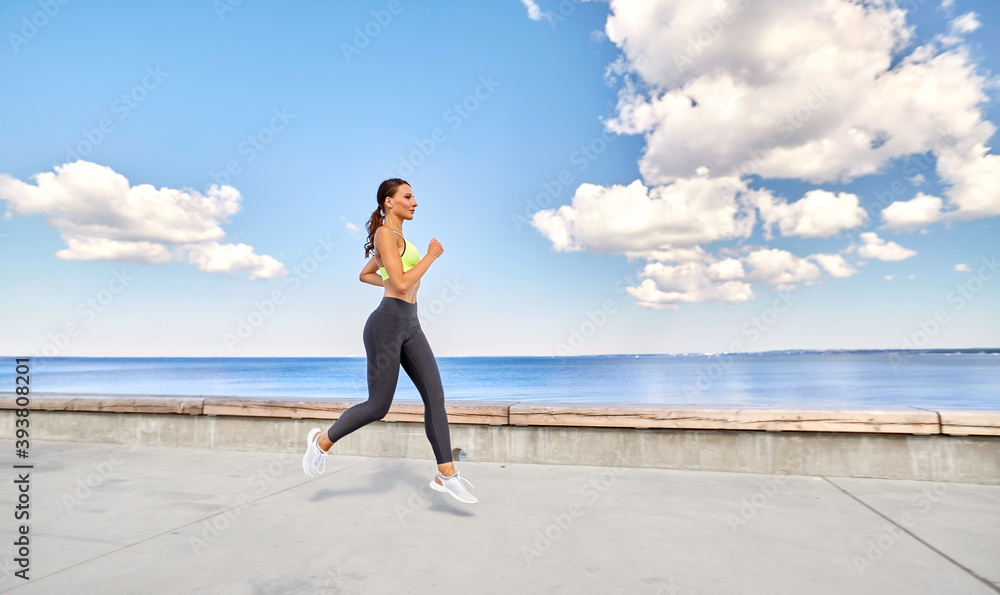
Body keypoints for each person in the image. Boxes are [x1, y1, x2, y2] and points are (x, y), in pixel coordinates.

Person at [301, 178, 477, 504]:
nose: (415, 202)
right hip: (386, 325)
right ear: (389, 202)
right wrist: (431, 256)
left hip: (411, 324)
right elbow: (398, 282)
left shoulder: (398, 239)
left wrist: (391, 271)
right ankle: (322, 441)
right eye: (408, 196)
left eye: (414, 197)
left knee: (435, 396)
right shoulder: (385, 233)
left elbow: (367, 274)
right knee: (378, 406)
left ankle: (446, 475)